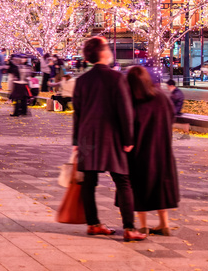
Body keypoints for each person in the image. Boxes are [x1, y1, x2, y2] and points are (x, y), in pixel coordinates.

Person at [72, 37, 146, 241]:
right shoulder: (116, 78)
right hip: (111, 137)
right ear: (103, 52)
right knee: (123, 181)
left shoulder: (81, 80)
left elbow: (77, 113)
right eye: (107, 47)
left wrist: (76, 143)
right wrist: (129, 138)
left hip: (87, 136)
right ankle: (129, 227)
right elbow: (125, 111)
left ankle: (93, 223)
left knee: (88, 182)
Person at [125, 66, 180, 236]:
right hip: (162, 149)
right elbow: (171, 117)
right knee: (160, 185)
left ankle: (142, 225)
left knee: (138, 186)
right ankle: (164, 223)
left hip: (140, 152)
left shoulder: (133, 101)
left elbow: (128, 126)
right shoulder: (162, 97)